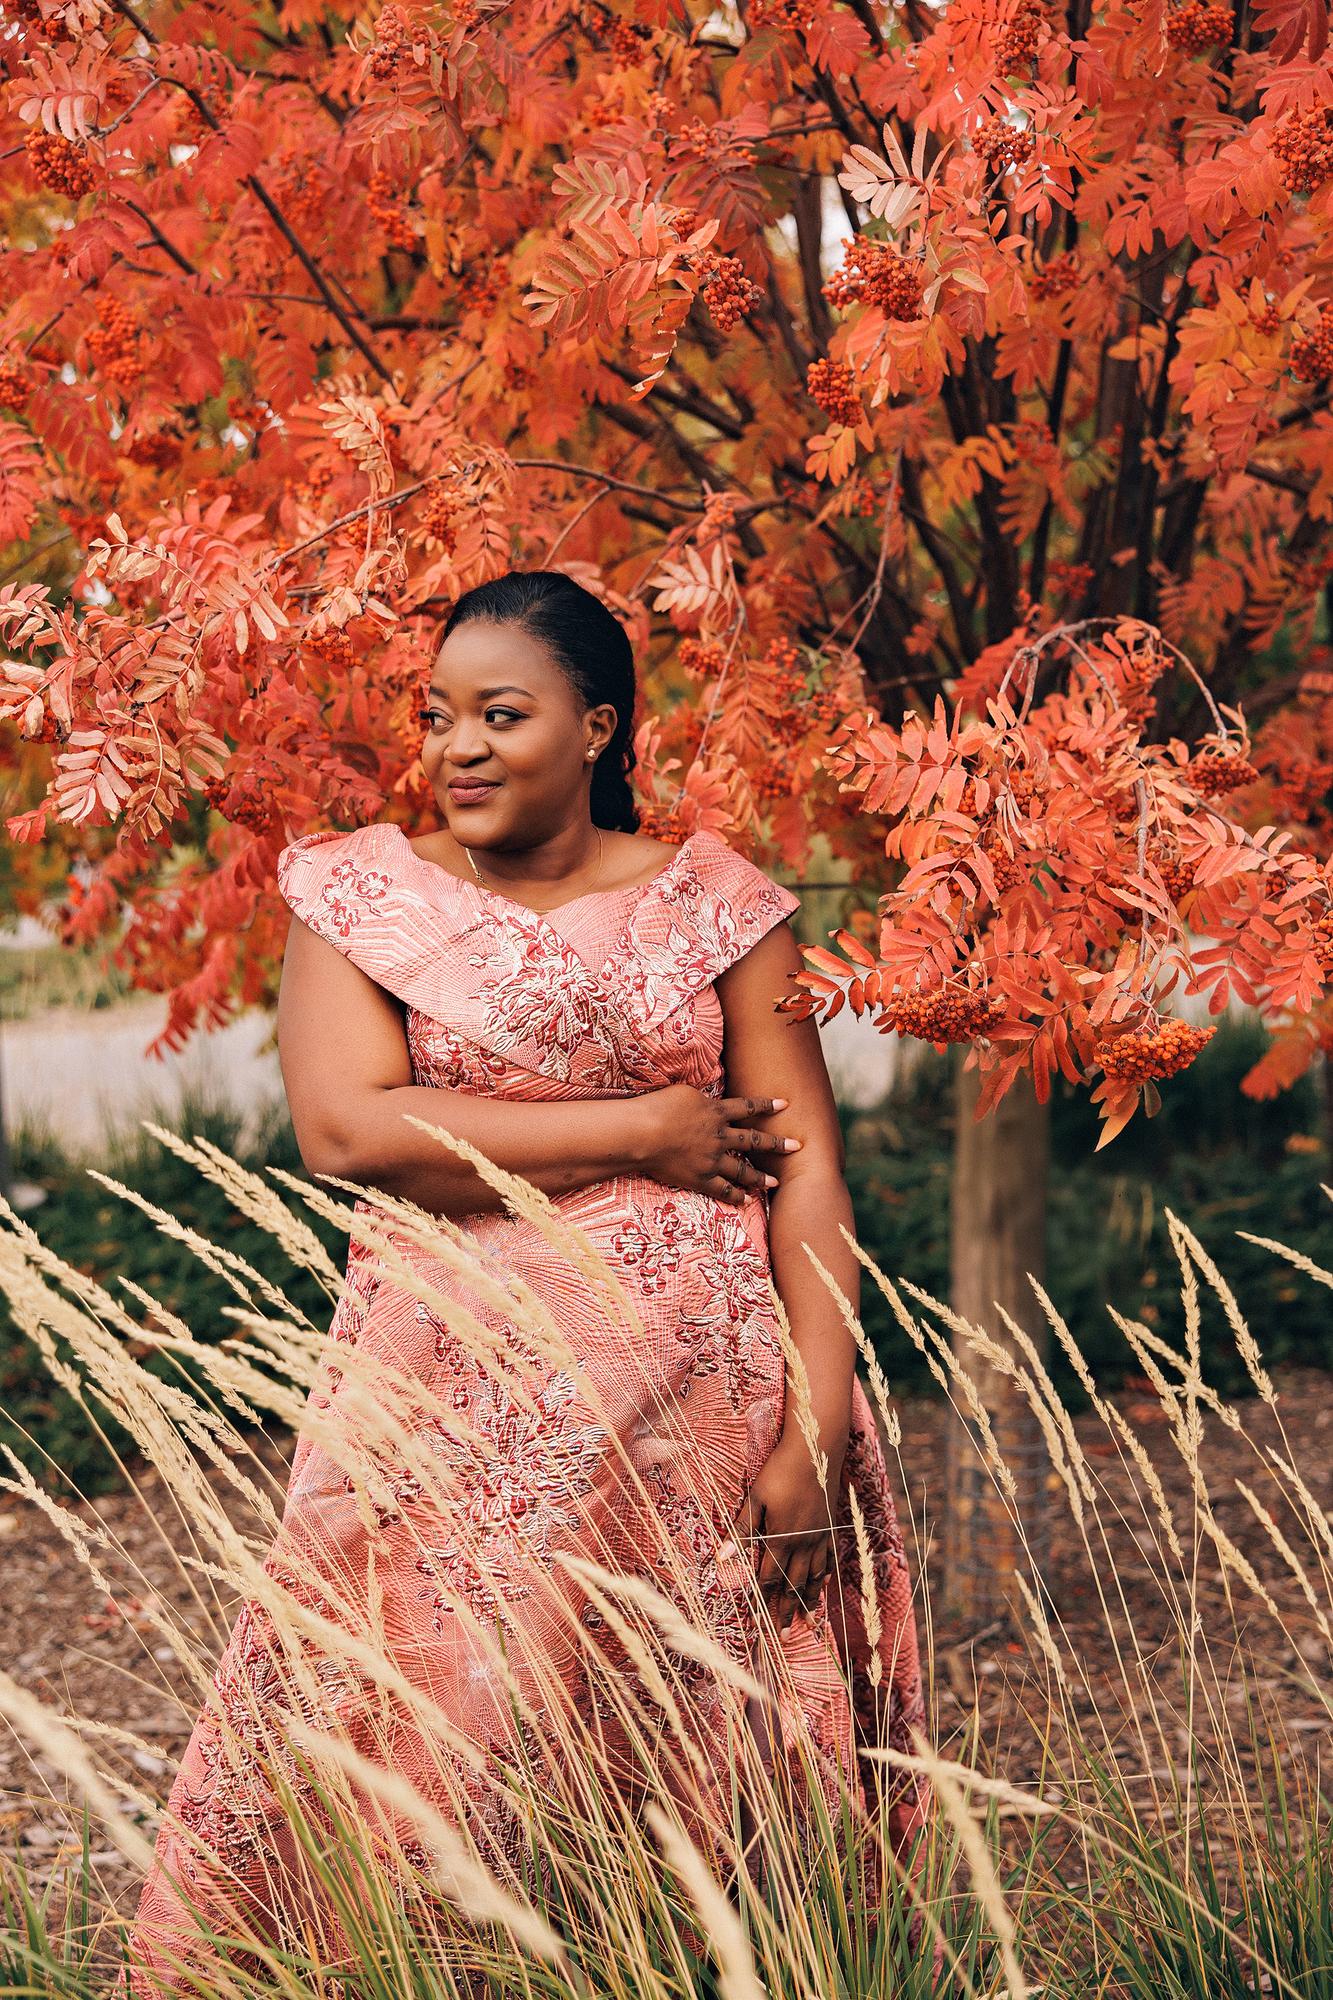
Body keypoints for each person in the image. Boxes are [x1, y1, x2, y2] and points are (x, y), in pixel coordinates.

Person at [126, 569, 926, 1989]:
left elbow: (805, 1171)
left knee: (699, 1752)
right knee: (440, 1748)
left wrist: (811, 1426)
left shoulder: (720, 906)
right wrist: (644, 1129)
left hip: (707, 1431)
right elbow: (348, 1128)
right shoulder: (364, 897)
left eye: (503, 713)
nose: (457, 747)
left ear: (600, 726)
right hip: (455, 1423)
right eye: (438, 717)